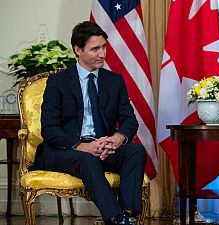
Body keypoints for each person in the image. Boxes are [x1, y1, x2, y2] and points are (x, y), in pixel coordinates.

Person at [36, 21, 146, 225]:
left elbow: (129, 120)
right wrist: (82, 146)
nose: (102, 54)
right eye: (95, 48)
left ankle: (127, 213)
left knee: (136, 151)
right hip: (67, 150)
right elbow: (49, 129)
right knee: (87, 160)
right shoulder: (58, 82)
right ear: (78, 50)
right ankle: (116, 218)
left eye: (104, 47)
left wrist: (116, 139)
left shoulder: (115, 80)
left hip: (102, 146)